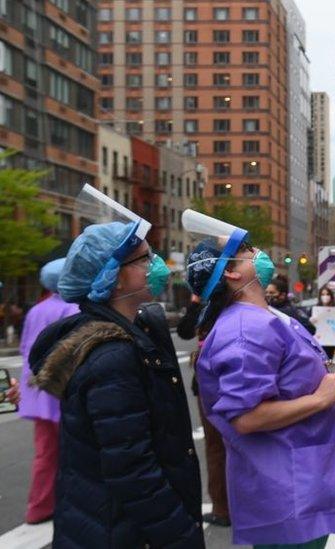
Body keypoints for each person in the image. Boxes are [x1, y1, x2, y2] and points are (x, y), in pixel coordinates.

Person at [27, 185, 203, 548]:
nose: (156, 266)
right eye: (143, 260)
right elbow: (133, 471)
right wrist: (182, 538)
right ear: (112, 276)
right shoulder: (112, 357)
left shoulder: (133, 333)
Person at [183, 209, 335, 548]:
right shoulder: (245, 329)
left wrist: (334, 397)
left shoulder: (263, 318)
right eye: (246, 249)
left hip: (301, 485)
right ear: (231, 272)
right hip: (287, 493)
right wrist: (321, 400)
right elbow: (247, 417)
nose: (257, 253)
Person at [17, 258, 79, 524]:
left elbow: (23, 348)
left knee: (45, 453)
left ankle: (38, 507)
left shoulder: (36, 310)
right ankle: (70, 504)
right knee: (75, 453)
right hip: (61, 390)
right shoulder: (73, 309)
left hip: (36, 389)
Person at [175, 293, 231, 527]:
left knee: (217, 447)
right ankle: (227, 505)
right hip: (231, 378)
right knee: (225, 445)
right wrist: (196, 304)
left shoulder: (219, 305)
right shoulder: (234, 303)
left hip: (214, 380)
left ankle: (222, 508)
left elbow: (186, 330)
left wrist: (197, 303)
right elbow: (185, 331)